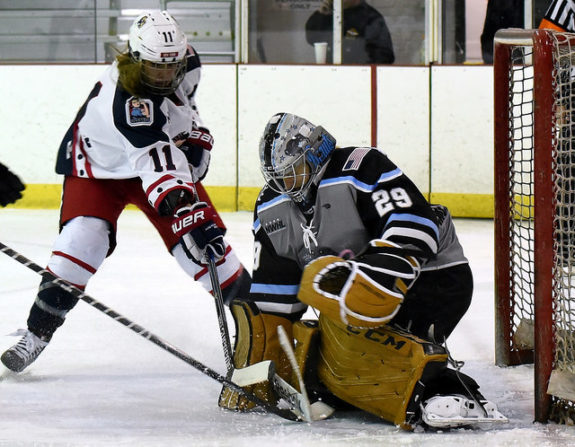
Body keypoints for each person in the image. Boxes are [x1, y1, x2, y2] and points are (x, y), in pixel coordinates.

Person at [217, 113, 506, 430]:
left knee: (365, 348)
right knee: (329, 365)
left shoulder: (361, 167)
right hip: (353, 296)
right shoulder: (272, 207)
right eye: (278, 177)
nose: (284, 185)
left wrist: (378, 275)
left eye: (293, 172)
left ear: (315, 156)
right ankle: (351, 383)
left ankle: (450, 391)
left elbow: (416, 225)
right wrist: (262, 359)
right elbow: (277, 297)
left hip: (433, 278)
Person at [0, 10, 251, 374]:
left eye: (171, 66)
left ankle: (266, 328)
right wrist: (184, 206)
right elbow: (154, 160)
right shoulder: (130, 100)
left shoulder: (187, 62)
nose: (165, 75)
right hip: (100, 168)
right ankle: (36, 335)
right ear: (136, 60)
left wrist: (193, 131)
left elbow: (183, 107)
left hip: (157, 159)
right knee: (80, 244)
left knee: (209, 252)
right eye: (155, 68)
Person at [305, 0, 395, 64]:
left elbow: (383, 56)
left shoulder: (370, 18)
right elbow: (312, 38)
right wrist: (321, 15)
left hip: (358, 77)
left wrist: (361, 70)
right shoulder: (332, 14)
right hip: (331, 74)